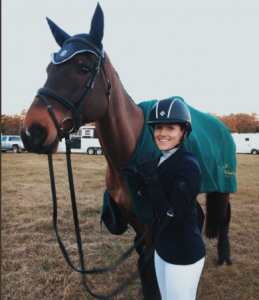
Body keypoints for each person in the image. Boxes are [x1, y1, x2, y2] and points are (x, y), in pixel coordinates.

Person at [137, 98, 206, 300]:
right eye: (158, 127)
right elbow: (165, 187)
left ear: (183, 132)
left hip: (183, 251)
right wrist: (140, 176)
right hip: (163, 246)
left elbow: (172, 216)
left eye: (170, 128)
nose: (162, 133)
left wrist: (151, 177)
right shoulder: (164, 157)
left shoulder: (188, 165)